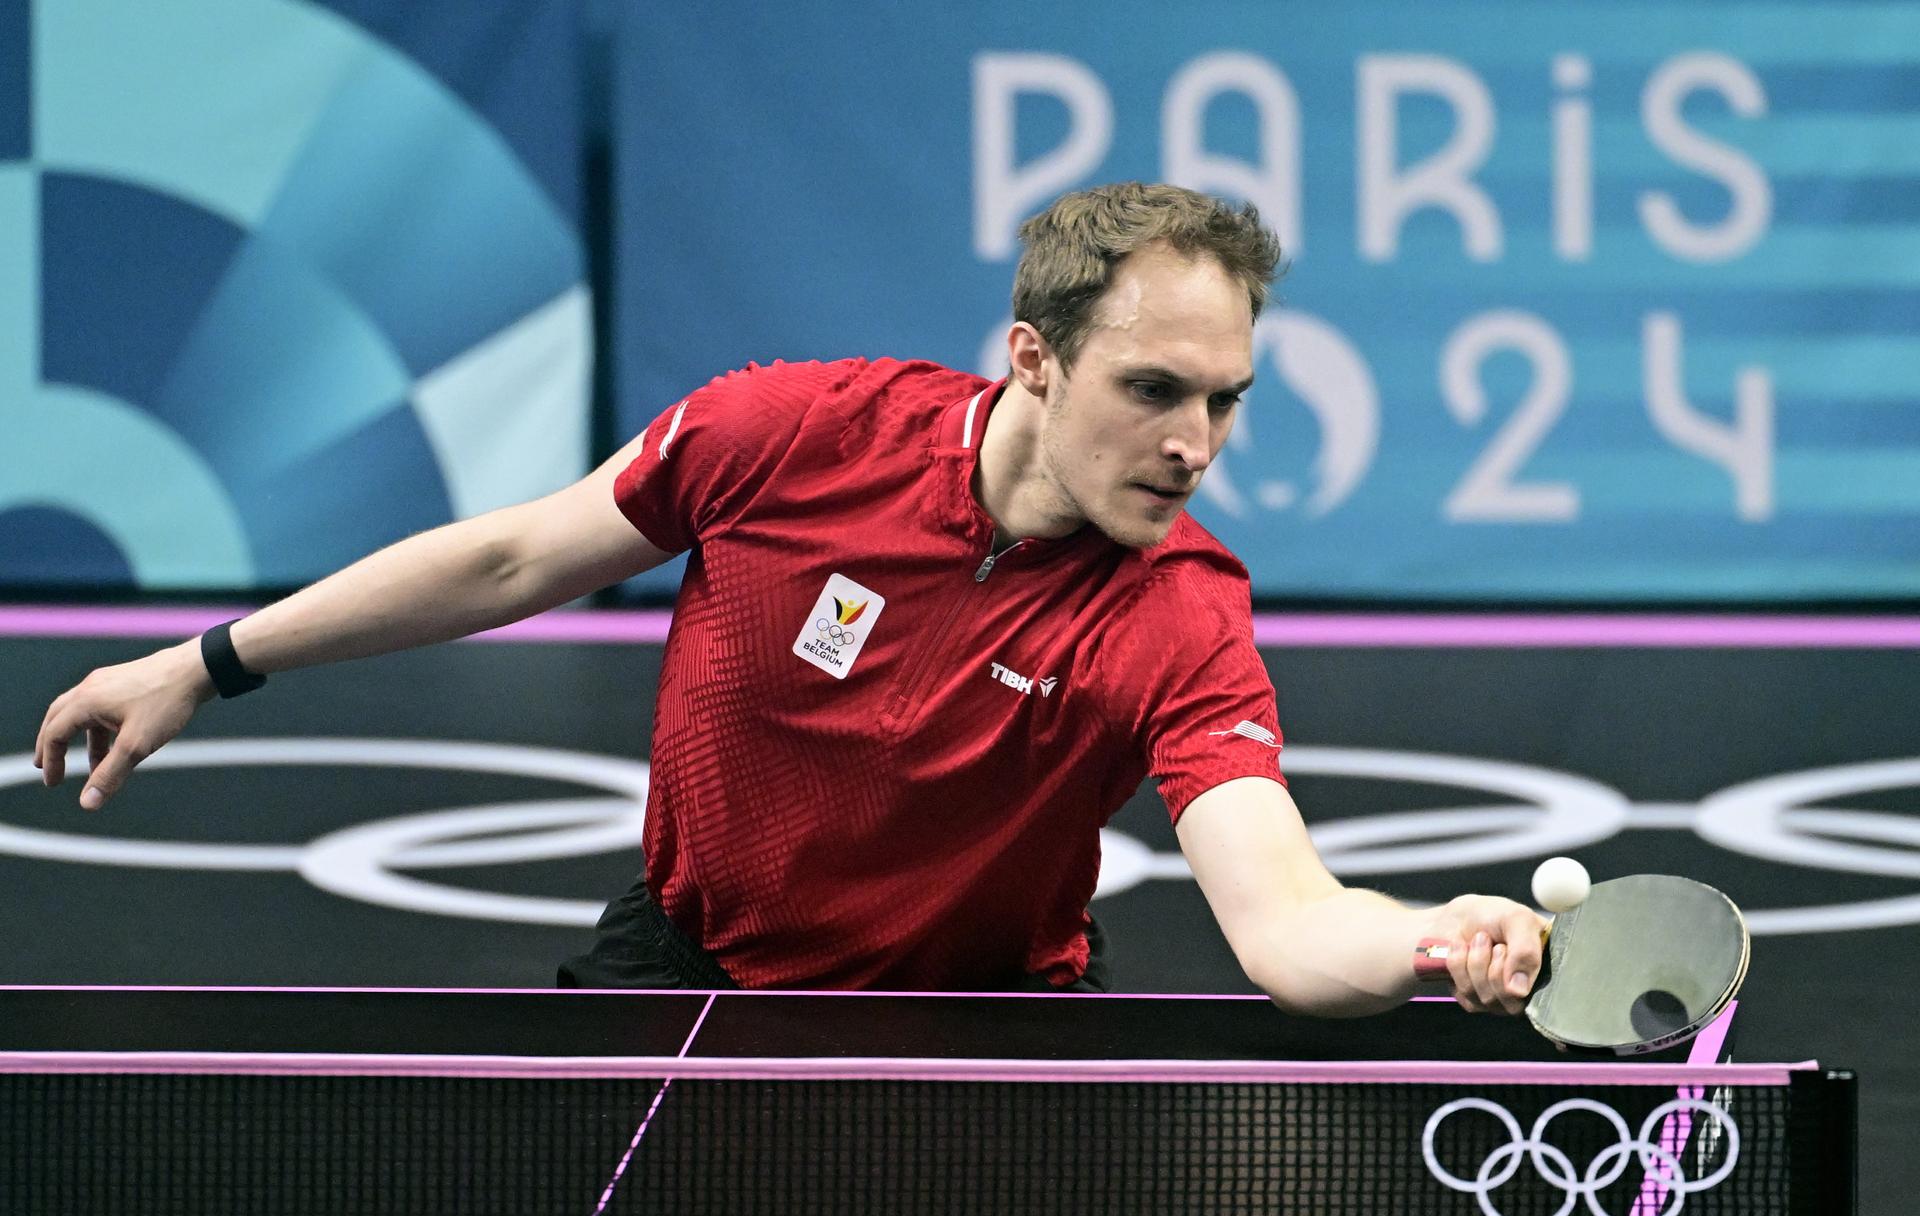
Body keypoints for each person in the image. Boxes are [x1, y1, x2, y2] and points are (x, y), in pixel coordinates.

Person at [32, 182, 1542, 1013]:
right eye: (1154, 390)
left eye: (1225, 400)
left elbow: (1284, 926)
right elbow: (510, 558)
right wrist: (209, 661)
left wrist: (1432, 939)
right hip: (676, 967)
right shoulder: (790, 436)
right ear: (1032, 357)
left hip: (979, 1039)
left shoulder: (1178, 611)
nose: (1194, 446)